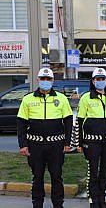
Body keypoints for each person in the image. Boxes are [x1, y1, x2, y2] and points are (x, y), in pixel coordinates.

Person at [17, 68, 73, 208]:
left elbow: (68, 121)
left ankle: (58, 205)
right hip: (35, 146)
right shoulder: (28, 99)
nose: (45, 81)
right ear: (38, 80)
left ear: (53, 81)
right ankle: (37, 205)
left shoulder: (61, 98)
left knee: (57, 177)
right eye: (43, 78)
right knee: (37, 178)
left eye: (48, 79)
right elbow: (21, 124)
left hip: (56, 145)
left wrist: (67, 142)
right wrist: (23, 145)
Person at [77, 68, 106, 208]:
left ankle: (102, 199)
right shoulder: (86, 97)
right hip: (91, 142)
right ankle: (93, 200)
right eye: (97, 79)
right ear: (93, 81)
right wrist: (79, 142)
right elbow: (80, 121)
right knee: (93, 171)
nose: (100, 81)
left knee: (105, 172)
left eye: (103, 79)